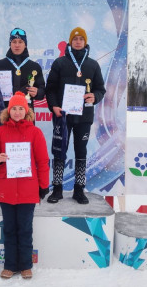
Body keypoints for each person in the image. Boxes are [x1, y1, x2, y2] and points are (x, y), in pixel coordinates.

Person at [0, 92, 50, 279]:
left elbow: (43, 161)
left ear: (27, 110)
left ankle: (25, 265)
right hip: (6, 188)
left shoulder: (35, 132)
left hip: (28, 189)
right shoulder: (0, 131)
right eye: (13, 108)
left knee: (25, 228)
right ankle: (10, 265)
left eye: (20, 108)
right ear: (8, 110)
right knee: (9, 228)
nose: (17, 112)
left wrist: (43, 186)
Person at [45, 27, 106, 205]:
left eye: (81, 39)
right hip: (62, 116)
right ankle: (57, 188)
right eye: (75, 39)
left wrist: (95, 96)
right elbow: (51, 89)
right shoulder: (60, 63)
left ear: (85, 42)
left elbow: (100, 89)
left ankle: (79, 189)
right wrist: (54, 106)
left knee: (81, 152)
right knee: (59, 151)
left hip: (84, 117)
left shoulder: (93, 65)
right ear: (70, 42)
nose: (78, 41)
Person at [0, 27, 46, 112]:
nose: (17, 45)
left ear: (25, 44)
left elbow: (42, 90)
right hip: (4, 111)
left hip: (26, 113)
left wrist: (37, 92)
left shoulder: (34, 67)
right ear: (10, 44)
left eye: (20, 42)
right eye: (14, 42)